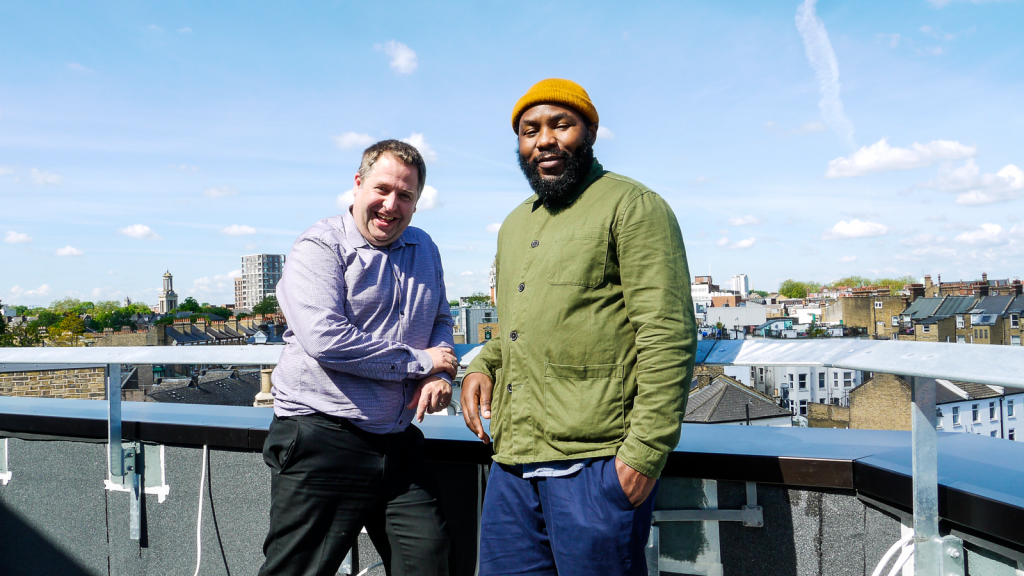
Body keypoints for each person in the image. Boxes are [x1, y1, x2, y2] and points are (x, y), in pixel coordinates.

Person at [461, 79, 697, 576]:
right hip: (512, 466)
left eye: (559, 124)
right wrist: (483, 364)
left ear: (589, 132)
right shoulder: (513, 225)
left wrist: (643, 457)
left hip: (594, 467)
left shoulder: (632, 206)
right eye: (529, 131)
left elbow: (667, 336)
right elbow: (516, 331)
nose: (543, 139)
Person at [259, 139, 457, 576]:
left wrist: (437, 372)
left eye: (405, 196)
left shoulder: (424, 248)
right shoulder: (321, 245)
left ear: (417, 203)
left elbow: (442, 318)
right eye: (382, 189)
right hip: (324, 437)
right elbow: (326, 339)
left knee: (431, 563)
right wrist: (421, 363)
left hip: (399, 443)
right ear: (357, 184)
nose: (391, 205)